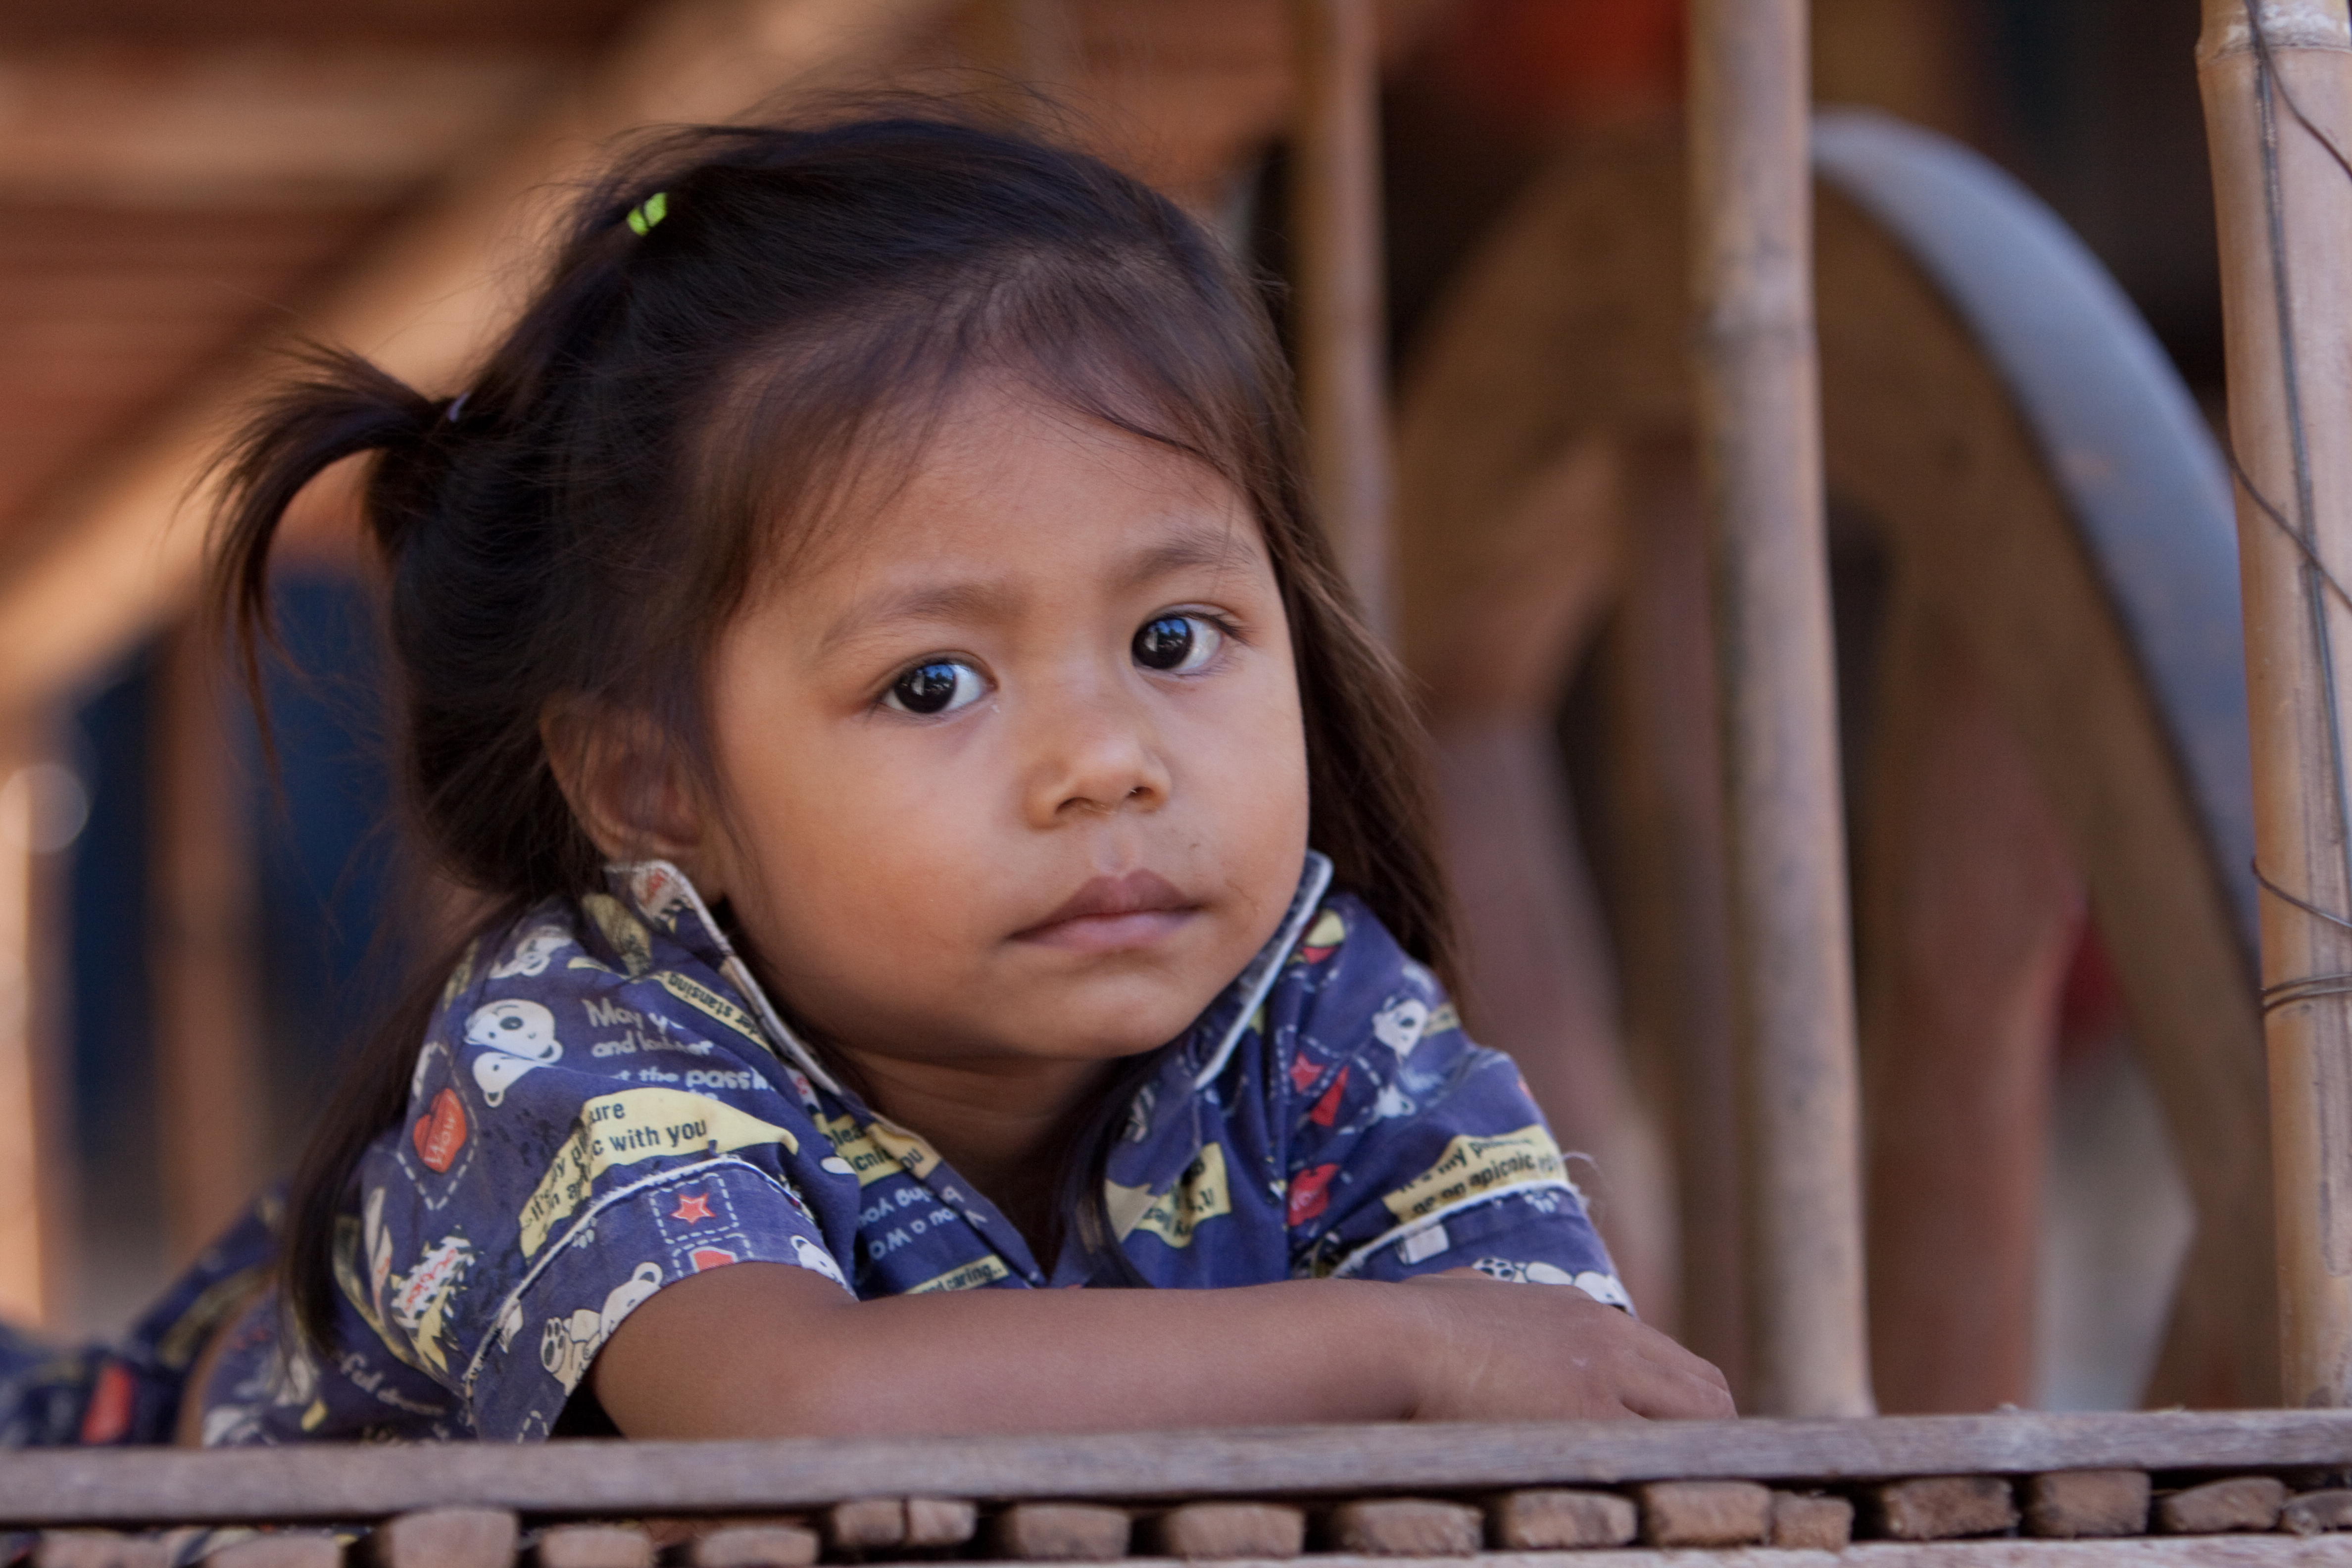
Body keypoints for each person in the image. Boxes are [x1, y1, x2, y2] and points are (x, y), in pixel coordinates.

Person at [25, 112, 1733, 1447]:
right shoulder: (579, 1037)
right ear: (649, 786)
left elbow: (1552, 1374)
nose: (1107, 764)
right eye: (935, 683)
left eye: (1177, 637)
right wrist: (1404, 1347)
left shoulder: (1319, 1011)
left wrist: (1480, 1358)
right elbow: (797, 1408)